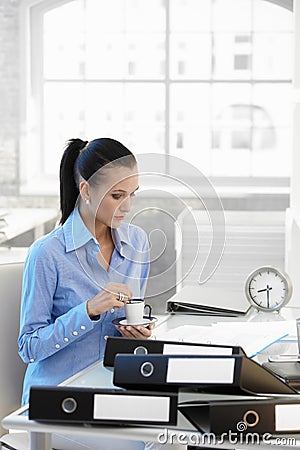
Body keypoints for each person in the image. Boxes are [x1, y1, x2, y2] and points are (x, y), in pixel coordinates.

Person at [18, 138, 154, 407]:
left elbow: (132, 314)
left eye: (132, 194)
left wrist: (138, 330)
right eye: (117, 196)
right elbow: (29, 347)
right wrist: (89, 310)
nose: (128, 207)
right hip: (57, 398)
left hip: (115, 391)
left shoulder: (137, 243)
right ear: (86, 190)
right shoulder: (47, 253)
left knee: (178, 431)